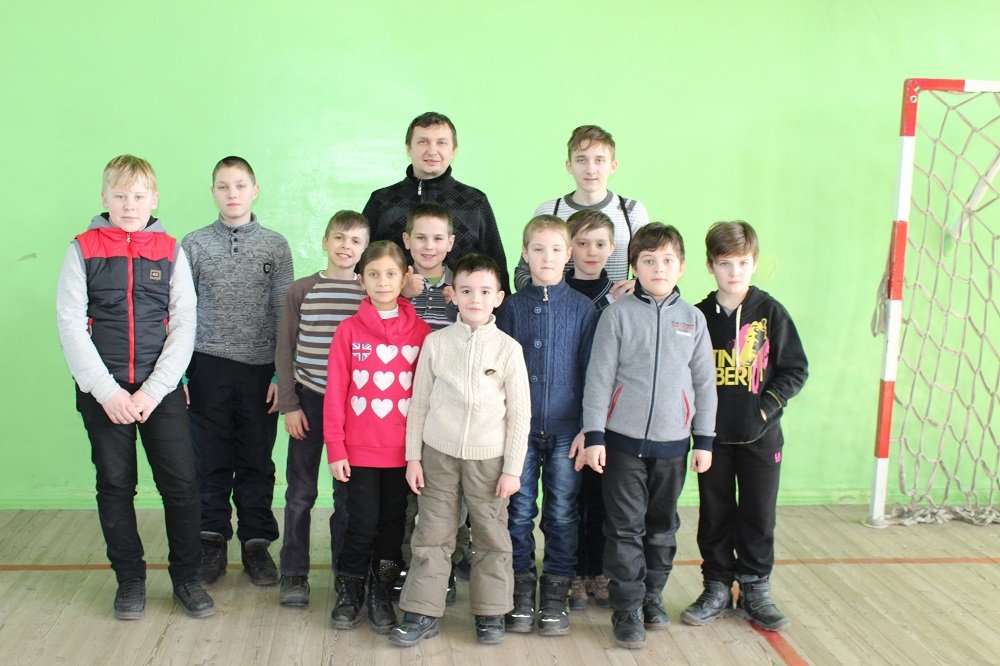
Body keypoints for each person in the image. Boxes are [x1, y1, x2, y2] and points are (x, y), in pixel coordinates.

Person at [56, 154, 214, 619]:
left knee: (182, 485)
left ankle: (186, 579)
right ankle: (129, 581)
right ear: (104, 197)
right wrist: (106, 392)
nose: (130, 205)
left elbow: (184, 324)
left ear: (154, 199)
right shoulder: (81, 249)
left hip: (159, 392)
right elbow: (70, 324)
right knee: (115, 486)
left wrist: (154, 390)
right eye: (120, 195)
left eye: (139, 196)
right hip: (103, 394)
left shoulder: (170, 250)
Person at [581, 222, 717, 649]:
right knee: (624, 529)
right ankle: (626, 608)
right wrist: (594, 434)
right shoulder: (617, 315)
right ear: (634, 267)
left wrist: (704, 439)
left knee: (661, 528)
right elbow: (599, 378)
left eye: (667, 260)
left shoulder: (693, 319)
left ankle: (652, 598)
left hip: (673, 446)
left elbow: (704, 383)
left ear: (682, 266)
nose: (659, 268)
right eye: (649, 261)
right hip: (621, 444)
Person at [388, 254, 531, 647]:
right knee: (432, 533)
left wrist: (512, 469)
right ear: (453, 295)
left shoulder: (509, 350)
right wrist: (413, 457)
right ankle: (421, 611)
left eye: (484, 292)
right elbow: (419, 403)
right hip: (438, 455)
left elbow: (520, 415)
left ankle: (490, 612)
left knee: (491, 535)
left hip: (490, 461)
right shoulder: (436, 344)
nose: (475, 299)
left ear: (498, 297)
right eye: (466, 291)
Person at [681, 221, 808, 632]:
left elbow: (795, 369)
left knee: (758, 514)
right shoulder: (697, 317)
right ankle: (716, 587)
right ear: (709, 266)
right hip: (712, 440)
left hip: (761, 437)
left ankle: (756, 588)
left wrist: (765, 409)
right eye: (725, 263)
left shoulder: (771, 312)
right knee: (714, 515)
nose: (734, 272)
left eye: (742, 263)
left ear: (754, 264)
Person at [182, 156, 294, 587]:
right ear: (213, 192)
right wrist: (182, 375)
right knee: (208, 460)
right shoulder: (193, 244)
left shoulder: (275, 246)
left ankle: (256, 544)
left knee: (256, 460)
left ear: (255, 191)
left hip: (260, 371)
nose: (233, 194)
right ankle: (210, 541)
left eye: (241, 185)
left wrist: (280, 376)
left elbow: (284, 315)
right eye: (224, 186)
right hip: (206, 366)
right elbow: (181, 312)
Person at [496, 215, 598, 637]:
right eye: (538, 249)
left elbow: (593, 373)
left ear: (568, 254)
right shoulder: (510, 308)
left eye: (556, 249)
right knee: (518, 513)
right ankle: (520, 592)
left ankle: (555, 595)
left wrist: (588, 428)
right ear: (525, 253)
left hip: (566, 432)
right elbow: (497, 371)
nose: (547, 257)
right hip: (518, 433)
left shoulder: (583, 309)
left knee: (561, 515)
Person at [324, 241, 431, 633]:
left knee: (392, 528)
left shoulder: (422, 334)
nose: (382, 282)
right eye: (373, 274)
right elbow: (335, 393)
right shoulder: (348, 332)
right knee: (361, 525)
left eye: (390, 274)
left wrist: (418, 453)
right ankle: (350, 589)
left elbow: (425, 398)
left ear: (404, 278)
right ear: (361, 280)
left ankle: (382, 591)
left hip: (403, 455)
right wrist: (336, 448)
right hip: (359, 454)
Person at [274, 211, 370, 607]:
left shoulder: (369, 292)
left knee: (347, 494)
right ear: (325, 242)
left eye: (355, 241)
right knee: (300, 492)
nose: (346, 246)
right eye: (339, 238)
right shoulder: (302, 290)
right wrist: (289, 405)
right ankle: (293, 572)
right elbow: (285, 349)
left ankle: (344, 571)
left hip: (351, 408)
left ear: (364, 250)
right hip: (309, 401)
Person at [397, 202, 466, 603]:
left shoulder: (463, 288)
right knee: (406, 500)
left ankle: (447, 569)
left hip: (448, 414)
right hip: (400, 410)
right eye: (420, 237)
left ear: (450, 243)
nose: (429, 246)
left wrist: (458, 304)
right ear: (406, 240)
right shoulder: (394, 283)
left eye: (438, 238)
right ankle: (404, 566)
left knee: (446, 500)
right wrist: (402, 297)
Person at [362, 111, 511, 293]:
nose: (432, 151)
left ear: (453, 151)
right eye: (423, 141)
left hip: (459, 310)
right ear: (408, 148)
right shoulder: (382, 201)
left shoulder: (475, 202)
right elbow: (360, 263)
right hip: (394, 309)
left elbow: (496, 268)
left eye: (441, 142)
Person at [513, 125, 649, 293]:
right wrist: (545, 297)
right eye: (581, 160)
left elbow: (650, 265)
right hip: (561, 309)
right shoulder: (549, 211)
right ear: (569, 165)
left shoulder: (632, 211)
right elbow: (523, 272)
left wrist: (640, 285)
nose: (590, 170)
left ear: (613, 166)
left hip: (615, 307)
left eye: (599, 160)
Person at [563, 209, 616, 611]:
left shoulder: (623, 295)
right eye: (582, 243)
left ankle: (598, 570)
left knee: (600, 499)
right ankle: (572, 573)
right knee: (569, 500)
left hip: (605, 416)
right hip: (565, 412)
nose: (591, 251)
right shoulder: (557, 291)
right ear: (568, 249)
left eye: (599, 244)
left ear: (612, 248)